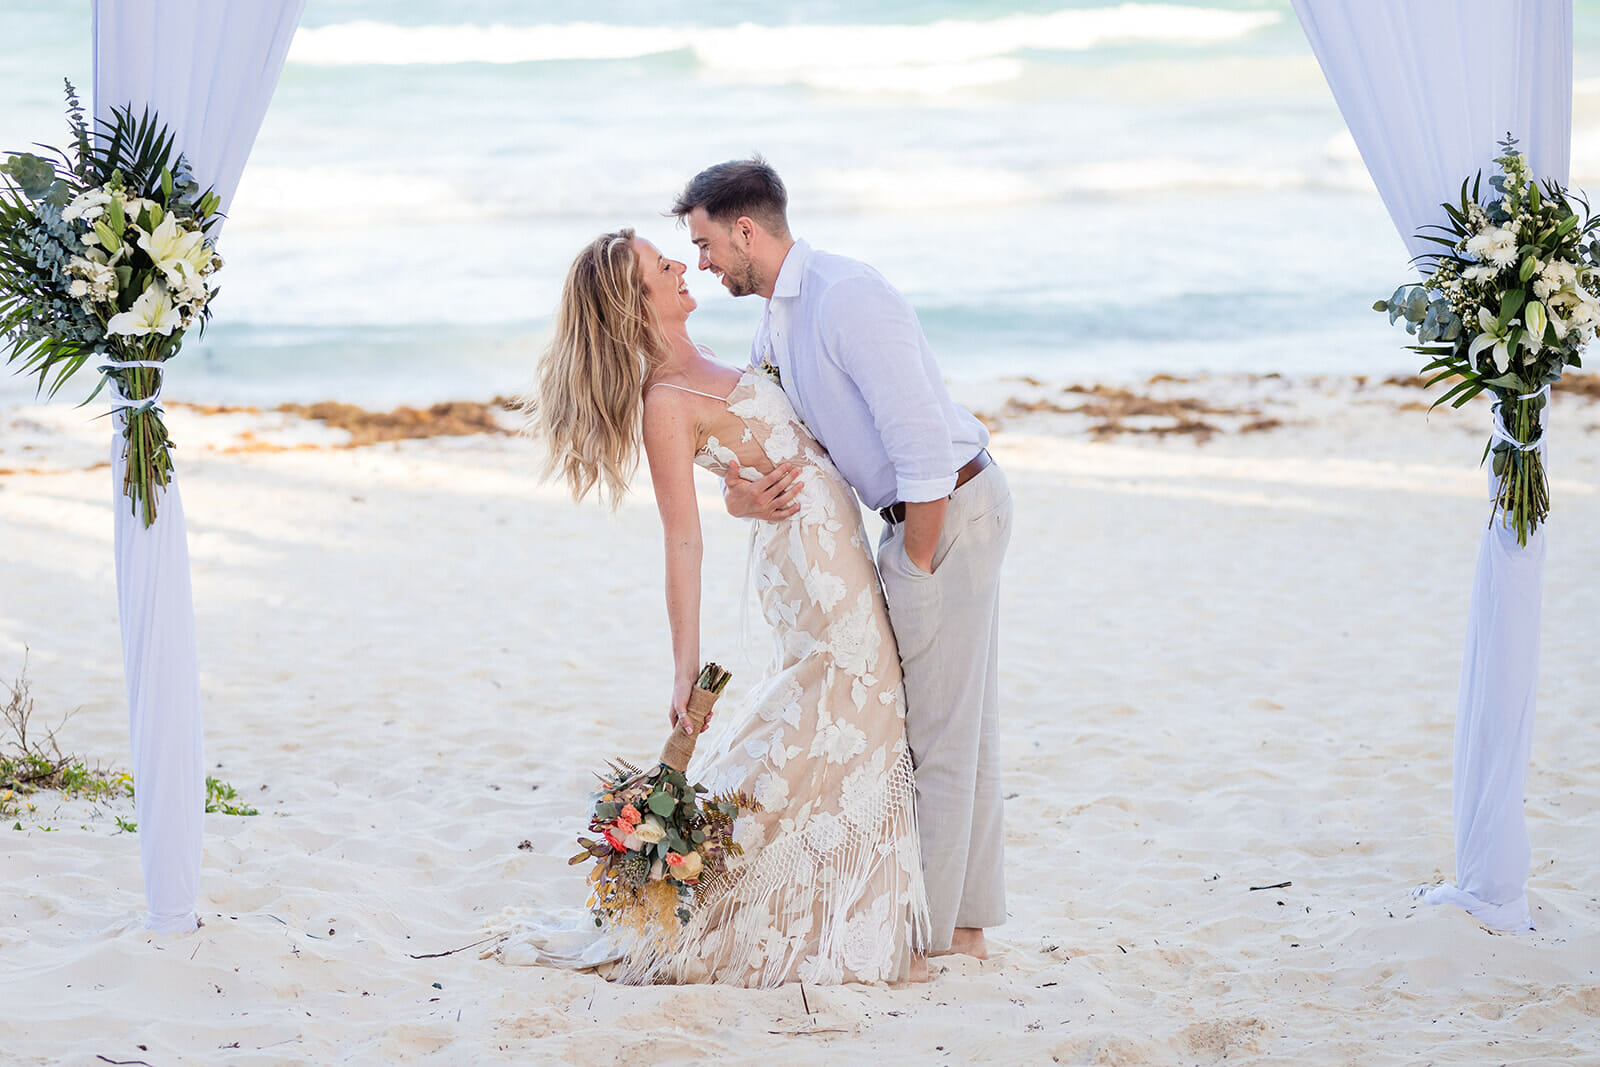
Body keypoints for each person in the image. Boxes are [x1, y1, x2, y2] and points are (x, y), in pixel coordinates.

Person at [523, 228, 928, 986]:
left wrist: (739, 491)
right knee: (851, 701)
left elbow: (760, 445)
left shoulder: (714, 355)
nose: (682, 263)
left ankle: (806, 891)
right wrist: (684, 666)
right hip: (808, 564)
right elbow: (682, 540)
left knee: (846, 707)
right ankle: (722, 882)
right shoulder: (664, 401)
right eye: (661, 265)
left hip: (825, 542)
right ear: (633, 303)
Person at [671, 158, 1012, 960]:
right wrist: (740, 497)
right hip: (915, 520)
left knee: (938, 737)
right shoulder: (774, 320)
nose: (702, 263)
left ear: (745, 229)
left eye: (706, 244)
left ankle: (932, 939)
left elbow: (922, 444)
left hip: (947, 512)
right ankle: (964, 929)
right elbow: (775, 439)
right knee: (959, 725)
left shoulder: (845, 295)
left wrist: (914, 565)